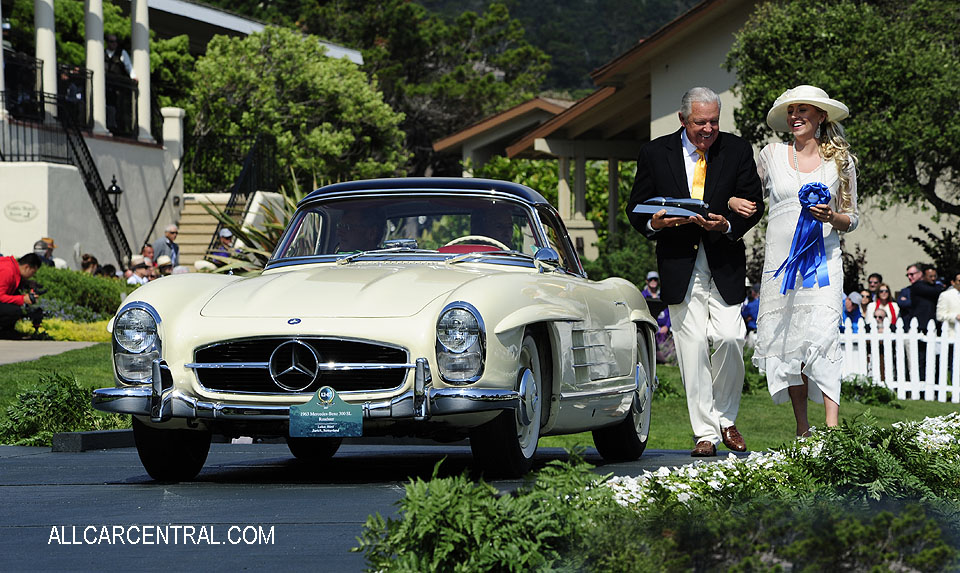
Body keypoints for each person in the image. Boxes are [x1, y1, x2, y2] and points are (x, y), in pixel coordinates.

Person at [625, 86, 764, 457]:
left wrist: (727, 221)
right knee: (691, 348)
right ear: (683, 120)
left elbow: (753, 203)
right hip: (678, 264)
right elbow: (636, 207)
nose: (708, 130)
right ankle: (705, 432)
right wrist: (654, 223)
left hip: (724, 261)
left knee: (732, 337)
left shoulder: (736, 149)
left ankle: (725, 416)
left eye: (714, 122)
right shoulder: (655, 153)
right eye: (700, 122)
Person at [753, 85, 859, 437]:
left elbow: (852, 217)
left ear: (820, 116)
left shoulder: (841, 162)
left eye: (803, 110)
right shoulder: (770, 155)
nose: (795, 116)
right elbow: (751, 197)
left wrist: (831, 217)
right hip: (781, 268)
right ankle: (803, 429)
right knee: (789, 346)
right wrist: (735, 204)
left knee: (825, 337)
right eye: (791, 110)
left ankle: (831, 429)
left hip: (824, 264)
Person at [0, 253, 42, 339]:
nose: (32, 275)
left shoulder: (12, 267)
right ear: (27, 267)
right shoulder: (8, 271)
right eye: (33, 272)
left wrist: (26, 284)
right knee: (14, 311)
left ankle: (8, 331)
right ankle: (4, 332)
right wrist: (23, 299)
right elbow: (1, 296)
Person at [641, 271, 674, 363]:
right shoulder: (642, 295)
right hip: (651, 328)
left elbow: (670, 311)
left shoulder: (663, 295)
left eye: (655, 279)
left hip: (665, 331)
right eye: (651, 279)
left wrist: (667, 326)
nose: (653, 281)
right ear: (647, 281)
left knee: (668, 356)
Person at [897, 263, 922, 328]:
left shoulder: (928, 290)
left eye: (911, 274)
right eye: (907, 275)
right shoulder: (905, 291)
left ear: (920, 274)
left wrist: (909, 301)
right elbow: (901, 303)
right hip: (907, 326)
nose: (909, 277)